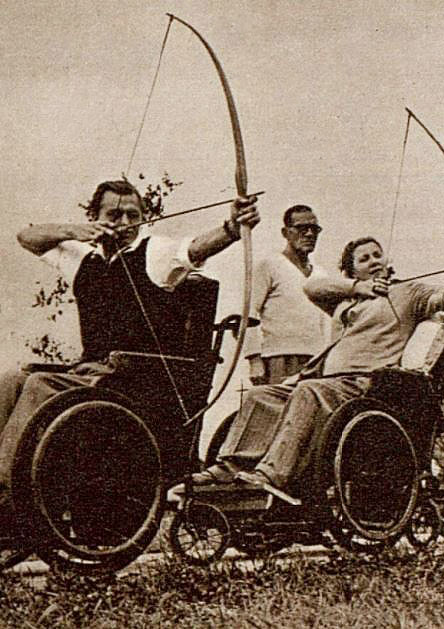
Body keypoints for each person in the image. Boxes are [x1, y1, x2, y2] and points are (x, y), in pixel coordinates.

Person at [0, 179, 259, 510]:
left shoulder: (154, 252)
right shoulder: (84, 259)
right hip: (92, 376)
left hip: (137, 380)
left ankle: (8, 495)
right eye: (114, 215)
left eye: (132, 215)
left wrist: (232, 227)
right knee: (9, 381)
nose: (124, 224)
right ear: (95, 216)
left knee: (39, 383)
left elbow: (195, 248)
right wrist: (74, 231)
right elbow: (27, 237)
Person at [194, 236, 444, 498]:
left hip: (364, 384)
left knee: (310, 391)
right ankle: (230, 465)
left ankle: (272, 475)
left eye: (378, 254)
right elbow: (312, 287)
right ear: (352, 270)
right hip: (327, 383)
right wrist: (359, 288)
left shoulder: (406, 293)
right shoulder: (346, 301)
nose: (374, 261)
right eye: (364, 259)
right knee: (260, 396)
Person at [245, 205, 333, 385]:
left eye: (314, 229)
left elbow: (326, 322)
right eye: (302, 228)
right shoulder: (269, 265)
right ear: (285, 232)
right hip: (279, 359)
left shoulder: (321, 275)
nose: (309, 234)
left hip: (315, 360)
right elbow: (247, 314)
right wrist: (254, 359)